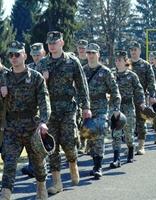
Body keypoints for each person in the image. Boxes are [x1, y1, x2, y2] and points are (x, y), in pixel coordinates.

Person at [37, 31, 91, 194]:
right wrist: (43, 79)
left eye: (55, 43)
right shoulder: (43, 64)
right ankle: (57, 182)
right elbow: (37, 89)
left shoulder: (72, 61)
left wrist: (86, 106)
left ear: (61, 43)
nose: (52, 46)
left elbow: (82, 86)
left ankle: (73, 164)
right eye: (49, 43)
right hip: (50, 110)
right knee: (51, 146)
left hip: (68, 108)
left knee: (69, 142)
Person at [0, 41, 51, 200]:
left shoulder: (35, 77)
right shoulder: (4, 78)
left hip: (31, 127)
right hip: (12, 128)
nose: (14, 58)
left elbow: (44, 101)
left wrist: (43, 121)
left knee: (37, 162)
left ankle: (41, 188)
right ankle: (5, 194)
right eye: (11, 55)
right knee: (9, 163)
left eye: (17, 54)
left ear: (24, 56)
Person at [83, 43, 121, 179]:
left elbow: (115, 91)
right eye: (88, 53)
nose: (90, 55)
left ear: (98, 54)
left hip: (101, 109)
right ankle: (95, 164)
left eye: (93, 53)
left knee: (98, 134)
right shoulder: (82, 71)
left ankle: (98, 167)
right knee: (90, 139)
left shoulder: (105, 72)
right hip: (86, 110)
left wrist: (116, 109)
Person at [110, 50, 145, 168]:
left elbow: (139, 90)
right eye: (116, 60)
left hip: (128, 106)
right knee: (116, 133)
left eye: (120, 60)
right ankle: (116, 158)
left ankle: (130, 149)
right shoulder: (111, 74)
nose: (117, 62)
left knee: (128, 132)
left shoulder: (132, 75)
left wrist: (141, 103)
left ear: (126, 61)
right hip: (115, 107)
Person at [21, 42, 46, 178]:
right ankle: (32, 166)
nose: (36, 57)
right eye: (34, 54)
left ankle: (43, 166)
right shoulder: (28, 68)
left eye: (39, 54)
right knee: (32, 139)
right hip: (31, 110)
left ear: (43, 53)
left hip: (47, 107)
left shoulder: (49, 66)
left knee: (43, 138)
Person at [129, 41, 156, 155]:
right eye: (131, 50)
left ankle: (141, 146)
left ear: (140, 51)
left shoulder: (145, 65)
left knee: (141, 121)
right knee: (129, 123)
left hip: (141, 98)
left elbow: (151, 81)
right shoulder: (126, 63)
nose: (133, 52)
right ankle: (130, 145)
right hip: (127, 98)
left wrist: (152, 95)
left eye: (135, 50)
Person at [76, 39, 89, 154]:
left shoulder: (90, 60)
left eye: (83, 48)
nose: (81, 50)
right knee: (79, 120)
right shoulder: (75, 61)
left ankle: (88, 143)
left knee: (89, 120)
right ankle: (81, 143)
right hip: (77, 94)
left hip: (91, 93)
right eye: (79, 48)